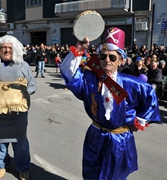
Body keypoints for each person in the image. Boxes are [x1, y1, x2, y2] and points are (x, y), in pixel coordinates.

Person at [60, 27, 161, 180]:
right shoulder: (89, 79)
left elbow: (150, 99)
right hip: (95, 135)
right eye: (103, 56)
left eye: (112, 57)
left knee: (116, 176)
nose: (107, 60)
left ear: (121, 60)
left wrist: (139, 120)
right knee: (92, 173)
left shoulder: (132, 83)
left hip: (119, 139)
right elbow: (69, 73)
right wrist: (78, 50)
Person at [0, 35, 37, 180]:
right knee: (0, 142)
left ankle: (23, 167)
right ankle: (1, 165)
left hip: (18, 115)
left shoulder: (23, 65)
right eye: (4, 47)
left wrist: (20, 93)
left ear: (15, 49)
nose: (7, 50)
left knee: (20, 143)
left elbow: (32, 86)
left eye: (10, 48)